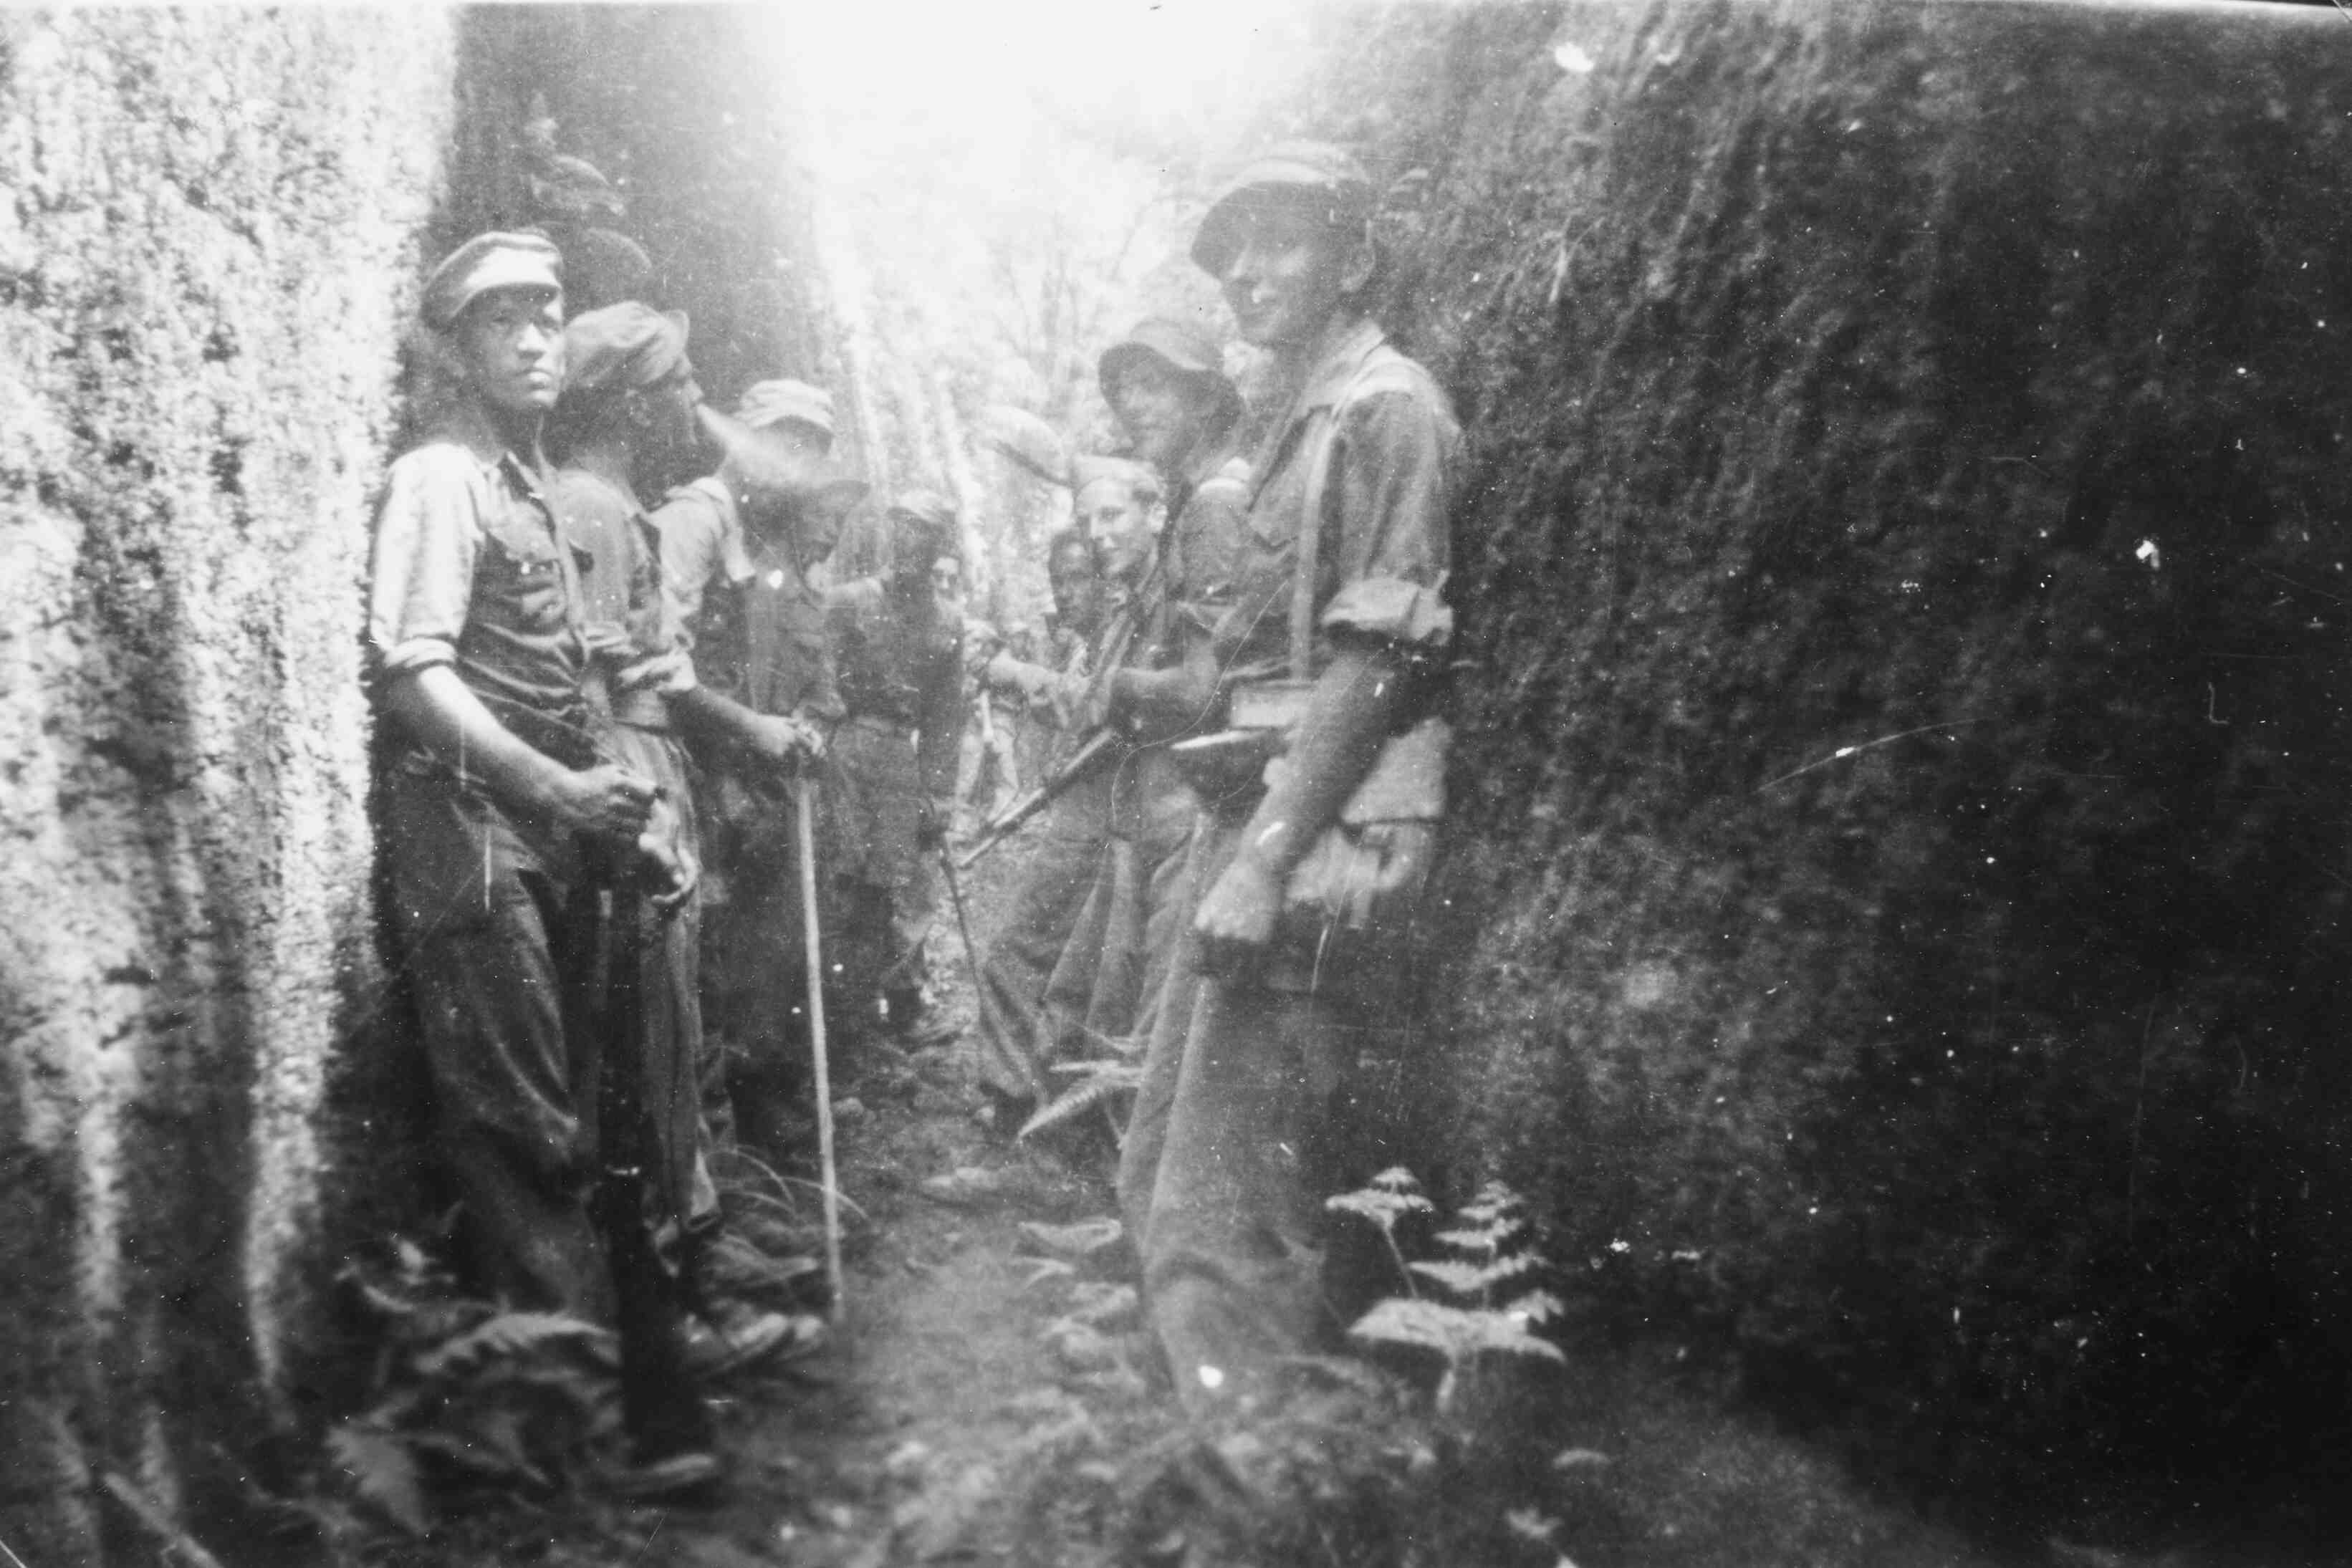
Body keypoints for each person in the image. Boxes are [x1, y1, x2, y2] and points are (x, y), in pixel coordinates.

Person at [367, 234, 716, 1491]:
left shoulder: (532, 481)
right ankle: (571, 1444)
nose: (529, 338)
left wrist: (609, 801)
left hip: (553, 828)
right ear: (454, 348)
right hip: (466, 832)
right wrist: (558, 787)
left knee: (593, 1121)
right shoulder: (441, 479)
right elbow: (415, 675)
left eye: (545, 314)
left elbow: (574, 675)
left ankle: (606, 1400)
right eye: (499, 319)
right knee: (525, 1130)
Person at [1117, 143, 1461, 1408]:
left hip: (1317, 843)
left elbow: (1378, 660)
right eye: (1229, 252)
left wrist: (1262, 859)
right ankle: (1209, 1476)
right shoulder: (1298, 420)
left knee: (1227, 1228)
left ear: (1354, 258)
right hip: (1265, 817)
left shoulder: (1388, 409)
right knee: (1163, 1173)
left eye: (1279, 241)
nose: (1246, 274)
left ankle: (1251, 1498)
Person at [544, 303, 807, 1377]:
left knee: (672, 1034)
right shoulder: (594, 510)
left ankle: (694, 1255)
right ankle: (668, 1305)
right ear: (629, 401)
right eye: (676, 387)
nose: (692, 408)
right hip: (630, 784)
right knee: (645, 1051)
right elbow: (587, 689)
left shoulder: (615, 506)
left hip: (656, 774)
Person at [660, 381, 863, 1159]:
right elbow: (667, 667)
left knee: (757, 960)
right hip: (694, 774)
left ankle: (754, 1145)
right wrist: (745, 746)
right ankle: (726, 1167)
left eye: (809, 452)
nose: (792, 467)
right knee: (709, 973)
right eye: (783, 442)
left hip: (738, 774)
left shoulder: (750, 537)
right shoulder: (700, 516)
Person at [824, 489, 966, 1051]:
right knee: (844, 881)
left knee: (902, 883)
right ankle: (844, 1020)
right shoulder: (848, 602)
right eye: (903, 529)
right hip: (845, 747)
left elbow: (946, 716)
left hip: (898, 760)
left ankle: (902, 1007)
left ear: (940, 544)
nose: (911, 543)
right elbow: (821, 676)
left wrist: (940, 794)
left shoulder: (947, 620)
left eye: (924, 534)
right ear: (889, 534)